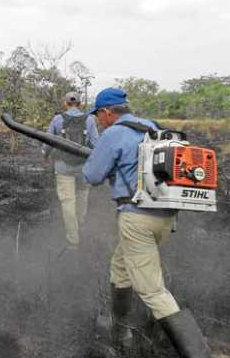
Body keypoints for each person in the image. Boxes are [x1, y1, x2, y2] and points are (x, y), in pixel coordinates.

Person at [83, 87, 210, 358]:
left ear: (107, 112)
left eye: (99, 116)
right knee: (121, 268)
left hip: (136, 217)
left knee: (152, 291)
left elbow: (92, 175)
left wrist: (103, 162)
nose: (99, 120)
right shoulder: (154, 128)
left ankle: (199, 354)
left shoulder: (114, 133)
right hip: (164, 217)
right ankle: (121, 333)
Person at [41, 91, 99, 249]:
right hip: (83, 167)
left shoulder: (57, 119)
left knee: (67, 202)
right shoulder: (90, 119)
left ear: (65, 103)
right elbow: (95, 143)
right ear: (80, 104)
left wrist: (45, 156)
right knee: (82, 195)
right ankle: (80, 224)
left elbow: (48, 141)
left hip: (63, 167)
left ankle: (73, 239)